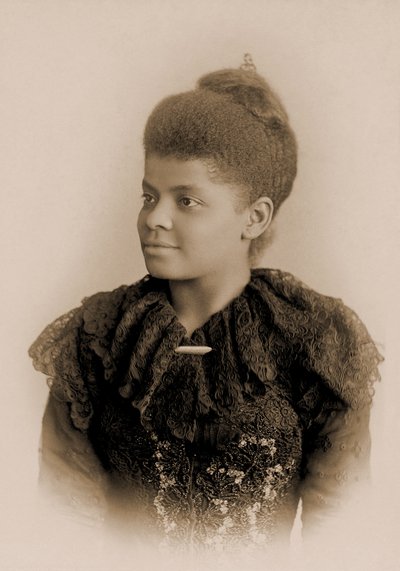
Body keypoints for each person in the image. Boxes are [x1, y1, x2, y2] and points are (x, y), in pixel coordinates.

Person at [29, 56, 382, 551]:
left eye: (186, 201)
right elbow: (61, 528)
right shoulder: (100, 338)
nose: (155, 219)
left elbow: (343, 537)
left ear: (254, 218)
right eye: (149, 197)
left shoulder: (315, 339)